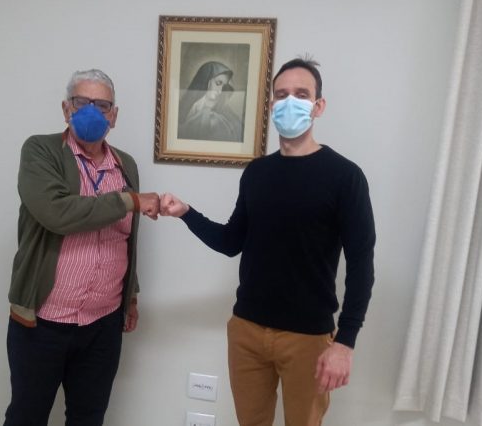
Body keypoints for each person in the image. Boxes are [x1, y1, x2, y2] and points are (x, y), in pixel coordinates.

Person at [161, 57, 376, 426]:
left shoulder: (345, 176)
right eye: (281, 94)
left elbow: (361, 264)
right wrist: (186, 212)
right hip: (247, 330)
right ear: (271, 104)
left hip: (308, 338)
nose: (290, 101)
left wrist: (345, 342)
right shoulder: (257, 172)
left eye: (301, 94)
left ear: (318, 106)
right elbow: (231, 241)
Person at [4, 69, 160, 426]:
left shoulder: (125, 165)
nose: (92, 111)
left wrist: (131, 295)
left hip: (103, 323)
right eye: (81, 102)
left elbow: (125, 237)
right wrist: (130, 200)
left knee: (88, 418)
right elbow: (57, 212)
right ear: (66, 108)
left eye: (101, 105)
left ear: (114, 116)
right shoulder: (41, 150)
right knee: (26, 416)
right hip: (43, 322)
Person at [178, 60, 244, 142]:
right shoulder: (189, 107)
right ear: (206, 81)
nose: (220, 91)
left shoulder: (224, 109)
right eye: (218, 83)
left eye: (224, 86)